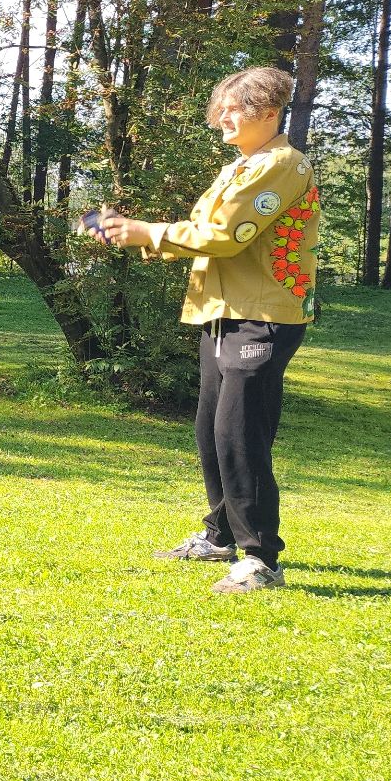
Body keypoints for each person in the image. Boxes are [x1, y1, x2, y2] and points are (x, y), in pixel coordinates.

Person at [94, 67, 320, 595]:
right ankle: (219, 536)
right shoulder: (241, 167)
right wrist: (143, 237)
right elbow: (206, 236)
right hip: (221, 312)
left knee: (240, 434)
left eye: (235, 108)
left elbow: (225, 235)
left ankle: (261, 558)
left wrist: (147, 232)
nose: (222, 116)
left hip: (262, 316)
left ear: (269, 113)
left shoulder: (283, 165)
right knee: (211, 430)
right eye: (220, 106)